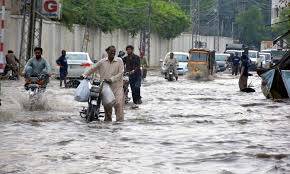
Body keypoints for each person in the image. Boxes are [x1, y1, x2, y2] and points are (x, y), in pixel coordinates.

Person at [83, 45, 124, 122]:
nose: (113, 52)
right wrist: (84, 75)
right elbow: (93, 68)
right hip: (106, 87)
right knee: (107, 107)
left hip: (117, 87)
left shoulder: (119, 61)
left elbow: (121, 73)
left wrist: (111, 79)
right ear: (107, 52)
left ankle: (119, 125)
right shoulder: (102, 62)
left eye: (114, 51)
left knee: (118, 105)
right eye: (111, 51)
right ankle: (108, 126)